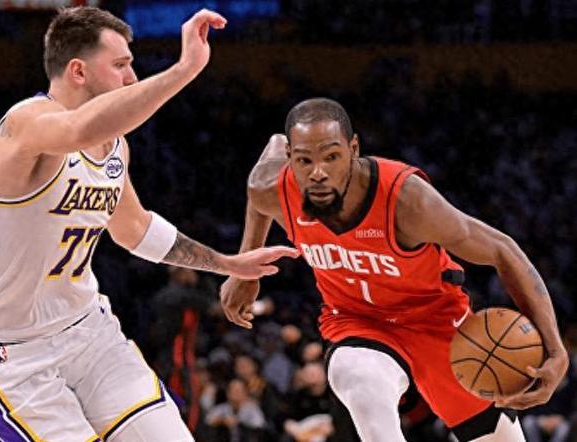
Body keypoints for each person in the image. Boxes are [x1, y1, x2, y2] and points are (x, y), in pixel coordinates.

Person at [0, 7, 297, 442]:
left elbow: (135, 230)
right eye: (120, 65)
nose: (132, 77)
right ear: (78, 71)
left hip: (88, 332)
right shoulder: (25, 125)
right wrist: (184, 70)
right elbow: (78, 130)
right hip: (8, 352)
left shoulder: (114, 147)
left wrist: (227, 263)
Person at [219, 98, 569, 441]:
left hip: (437, 320)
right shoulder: (273, 189)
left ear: (353, 149)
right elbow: (262, 177)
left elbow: (502, 250)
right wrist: (244, 268)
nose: (318, 172)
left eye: (331, 156)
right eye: (304, 160)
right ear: (291, 158)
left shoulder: (407, 201)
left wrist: (555, 349)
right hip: (356, 321)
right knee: (361, 381)